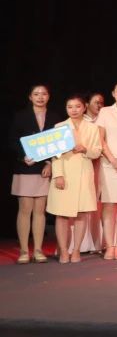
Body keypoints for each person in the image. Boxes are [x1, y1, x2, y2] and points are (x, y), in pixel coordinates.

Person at [48, 94, 102, 262]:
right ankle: (64, 251)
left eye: (77, 106)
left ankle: (77, 250)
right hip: (64, 173)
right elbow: (55, 154)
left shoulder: (92, 128)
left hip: (83, 173)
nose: (74, 110)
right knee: (62, 214)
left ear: (84, 107)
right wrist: (58, 175)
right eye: (70, 107)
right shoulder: (59, 127)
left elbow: (97, 151)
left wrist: (85, 149)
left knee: (81, 214)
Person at [10, 83, 53, 263]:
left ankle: (38, 250)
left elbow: (59, 143)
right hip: (25, 168)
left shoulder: (55, 117)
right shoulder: (20, 116)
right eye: (36, 94)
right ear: (30, 97)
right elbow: (12, 140)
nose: (40, 97)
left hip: (43, 169)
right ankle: (23, 250)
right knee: (25, 209)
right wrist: (23, 156)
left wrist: (50, 163)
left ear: (48, 96)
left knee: (40, 211)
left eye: (43, 94)